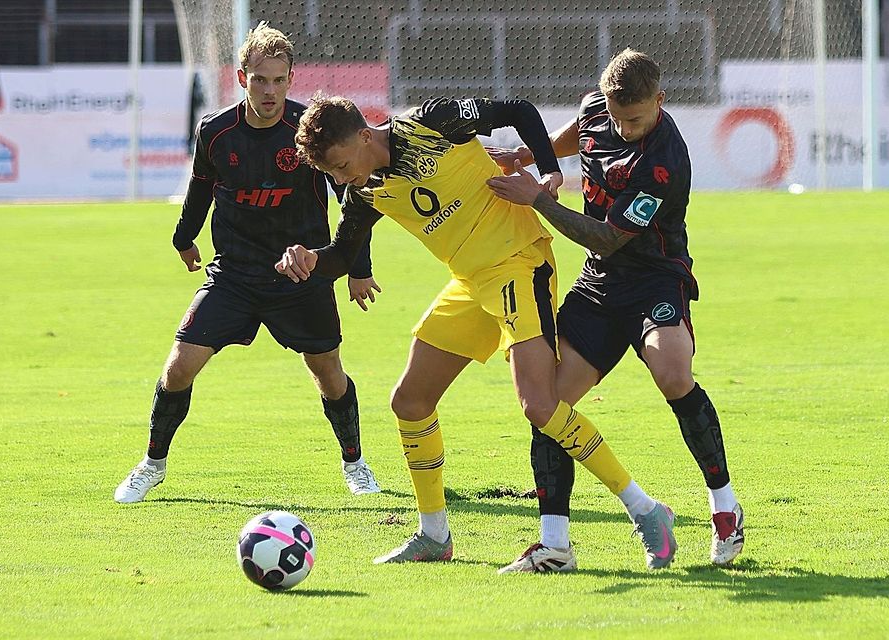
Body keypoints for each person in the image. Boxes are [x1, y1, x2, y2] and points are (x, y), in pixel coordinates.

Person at [275, 94, 677, 571]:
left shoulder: (431, 122)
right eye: (332, 174)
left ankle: (646, 510)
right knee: (410, 401)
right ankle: (434, 535)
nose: (341, 180)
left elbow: (519, 111)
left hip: (517, 262)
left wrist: (549, 170)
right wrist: (311, 258)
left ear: (364, 136)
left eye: (342, 167)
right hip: (470, 281)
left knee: (540, 405)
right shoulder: (363, 191)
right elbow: (343, 254)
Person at [486, 48, 745, 570]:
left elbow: (606, 237)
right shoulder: (595, 111)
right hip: (599, 286)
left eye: (636, 120)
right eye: (617, 117)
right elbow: (578, 134)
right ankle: (555, 545)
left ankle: (725, 507)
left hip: (654, 279)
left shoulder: (664, 162)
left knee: (674, 373)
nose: (625, 128)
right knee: (548, 404)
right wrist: (527, 156)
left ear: (660, 101)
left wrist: (538, 199)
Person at [113, 22, 382, 504]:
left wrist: (357, 268)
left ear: (292, 79)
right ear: (242, 78)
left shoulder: (308, 132)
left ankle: (355, 464)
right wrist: (184, 237)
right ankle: (152, 464)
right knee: (179, 367)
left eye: (279, 80)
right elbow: (200, 187)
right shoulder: (215, 131)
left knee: (328, 373)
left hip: (301, 275)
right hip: (234, 274)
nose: (270, 91)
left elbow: (352, 197)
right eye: (260, 80)